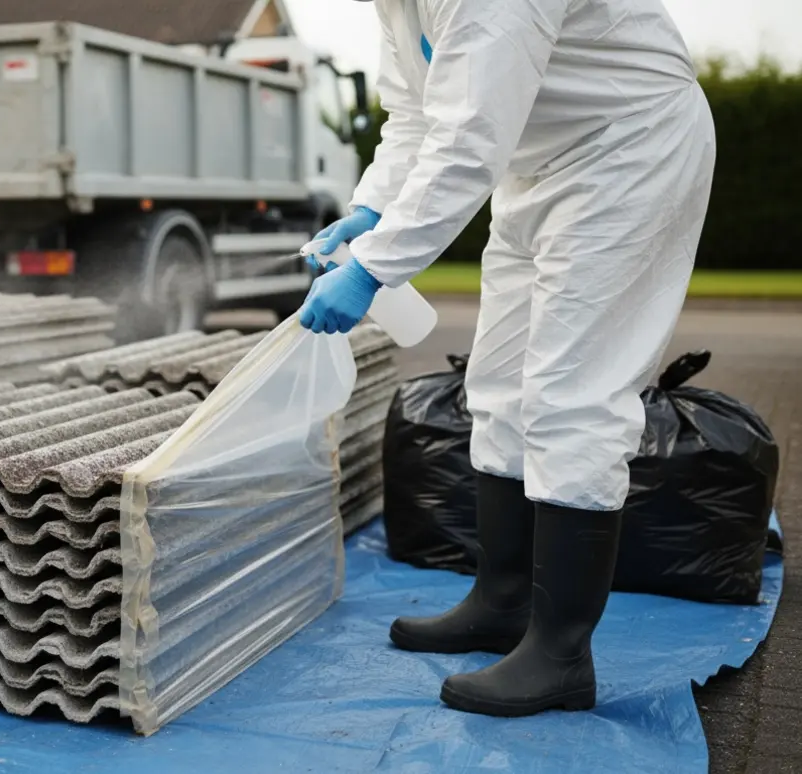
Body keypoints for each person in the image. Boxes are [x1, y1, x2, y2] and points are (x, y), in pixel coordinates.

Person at [299, 0, 716, 718]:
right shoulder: (398, 4)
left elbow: (469, 138)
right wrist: (372, 209)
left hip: (627, 150)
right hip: (535, 168)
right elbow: (416, 116)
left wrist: (371, 269)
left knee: (572, 394)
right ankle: (502, 601)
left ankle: (560, 655)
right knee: (498, 382)